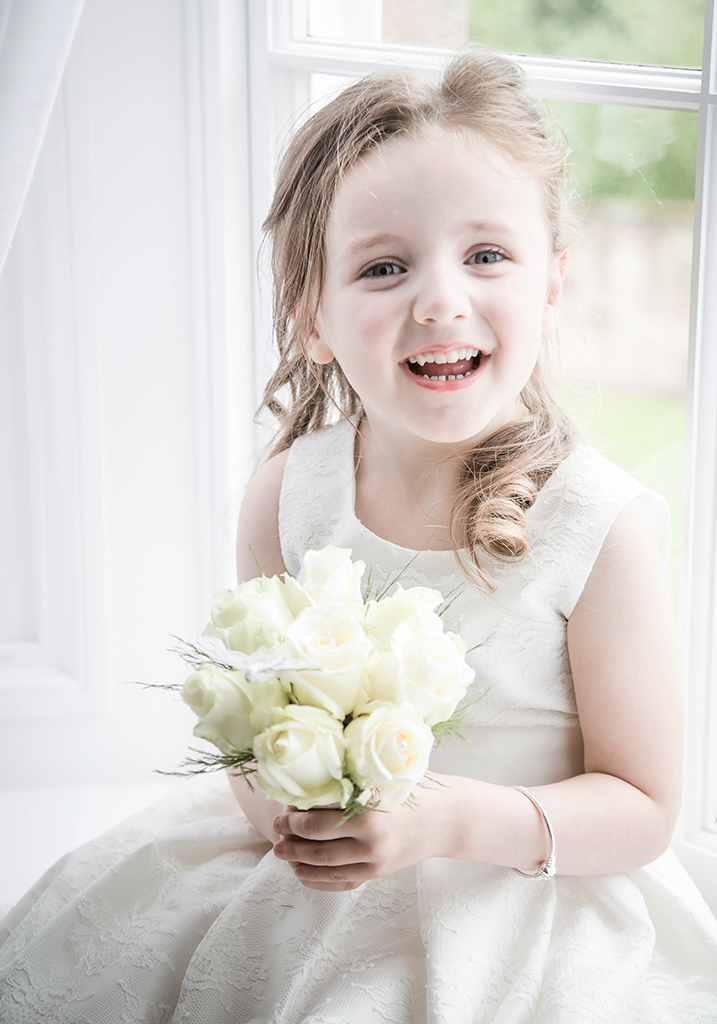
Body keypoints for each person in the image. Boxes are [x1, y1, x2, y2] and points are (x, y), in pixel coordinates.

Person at [1, 48, 717, 1024]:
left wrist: (446, 820)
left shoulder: (599, 525)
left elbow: (643, 808)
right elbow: (254, 733)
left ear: (552, 284)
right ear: (313, 318)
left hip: (525, 890)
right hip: (313, 879)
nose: (439, 299)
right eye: (384, 266)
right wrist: (290, 811)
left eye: (487, 256)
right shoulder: (289, 495)